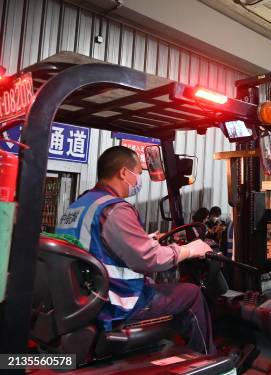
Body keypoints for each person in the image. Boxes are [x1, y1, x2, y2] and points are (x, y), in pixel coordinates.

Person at [56, 146, 215, 354]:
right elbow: (150, 259)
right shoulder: (115, 209)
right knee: (192, 294)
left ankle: (173, 351)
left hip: (85, 298)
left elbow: (95, 245)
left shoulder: (80, 205)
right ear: (124, 173)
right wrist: (190, 249)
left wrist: (146, 240)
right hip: (116, 301)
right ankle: (205, 358)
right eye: (139, 174)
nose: (139, 180)